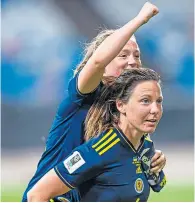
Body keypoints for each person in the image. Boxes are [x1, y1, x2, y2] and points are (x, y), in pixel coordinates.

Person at [22, 2, 166, 202]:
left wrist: (151, 159)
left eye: (137, 55)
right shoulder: (82, 95)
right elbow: (98, 62)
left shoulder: (123, 108)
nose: (133, 61)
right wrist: (139, 20)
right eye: (122, 55)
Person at [27, 68, 166, 202]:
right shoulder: (100, 149)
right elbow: (36, 195)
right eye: (145, 101)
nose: (155, 109)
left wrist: (157, 166)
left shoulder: (145, 146)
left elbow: (158, 184)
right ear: (121, 105)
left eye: (159, 101)